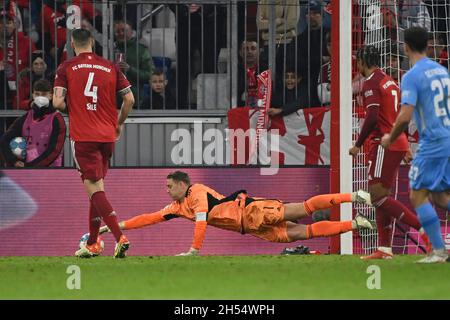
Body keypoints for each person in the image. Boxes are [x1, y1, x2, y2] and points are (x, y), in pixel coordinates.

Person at [99, 171, 375, 256]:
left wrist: (194, 250)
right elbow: (147, 218)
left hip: (254, 211)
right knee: (305, 232)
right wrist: (113, 226)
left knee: (303, 208)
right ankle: (356, 223)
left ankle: (355, 196)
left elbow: (202, 222)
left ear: (183, 184)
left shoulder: (196, 193)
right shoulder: (177, 207)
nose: (167, 191)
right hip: (252, 228)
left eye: (170, 186)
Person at [52, 28, 135, 258]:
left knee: (94, 189)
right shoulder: (110, 66)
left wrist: (76, 108)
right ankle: (92, 242)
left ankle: (120, 237)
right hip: (107, 136)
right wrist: (119, 123)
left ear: (72, 44)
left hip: (84, 136)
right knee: (97, 190)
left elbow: (57, 102)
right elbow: (129, 99)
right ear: (92, 43)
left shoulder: (65, 67)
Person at [349, 45, 431, 260]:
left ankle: (423, 229)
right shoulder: (389, 80)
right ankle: (384, 248)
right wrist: (403, 145)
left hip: (384, 143)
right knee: (381, 196)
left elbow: (373, 116)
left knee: (376, 195)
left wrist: (358, 144)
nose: (357, 66)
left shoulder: (371, 83)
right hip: (396, 142)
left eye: (358, 62)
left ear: (362, 62)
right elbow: (398, 114)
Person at [381, 27, 450, 263]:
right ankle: (439, 251)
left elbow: (405, 115)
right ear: (428, 46)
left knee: (417, 195)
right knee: (440, 197)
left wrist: (390, 138)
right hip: (448, 137)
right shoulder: (442, 71)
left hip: (433, 142)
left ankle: (439, 252)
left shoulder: (412, 75)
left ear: (406, 46)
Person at [0, 79, 66, 168]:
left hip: (51, 172)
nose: (40, 97)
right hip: (27, 173)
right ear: (33, 95)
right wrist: (14, 161)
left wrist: (31, 166)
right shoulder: (26, 117)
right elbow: (5, 139)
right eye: (37, 94)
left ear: (51, 96)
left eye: (44, 94)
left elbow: (54, 151)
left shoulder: (57, 119)